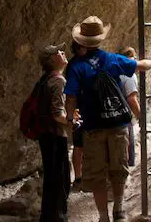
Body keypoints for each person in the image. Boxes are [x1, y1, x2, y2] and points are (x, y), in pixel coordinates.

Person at [64, 16, 151, 222]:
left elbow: (71, 97)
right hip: (118, 124)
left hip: (92, 128)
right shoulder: (112, 59)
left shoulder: (75, 66)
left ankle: (102, 217)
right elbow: (140, 65)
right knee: (119, 167)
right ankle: (119, 209)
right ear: (100, 39)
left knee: (98, 174)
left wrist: (70, 122)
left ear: (81, 41)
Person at [37, 43, 74, 222]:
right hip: (55, 135)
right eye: (59, 52)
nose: (63, 53)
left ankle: (48, 217)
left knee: (51, 179)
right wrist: (71, 121)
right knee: (61, 180)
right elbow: (57, 113)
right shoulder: (59, 80)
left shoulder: (44, 79)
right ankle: (58, 218)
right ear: (53, 59)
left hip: (46, 135)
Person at [117, 46, 139, 167]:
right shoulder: (129, 75)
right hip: (124, 114)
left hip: (112, 113)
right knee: (126, 148)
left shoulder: (114, 70)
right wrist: (140, 115)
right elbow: (132, 98)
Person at [70, 41, 87, 191]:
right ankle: (79, 178)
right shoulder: (75, 65)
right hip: (80, 110)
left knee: (80, 146)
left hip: (83, 109)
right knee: (80, 145)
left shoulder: (73, 64)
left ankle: (81, 178)